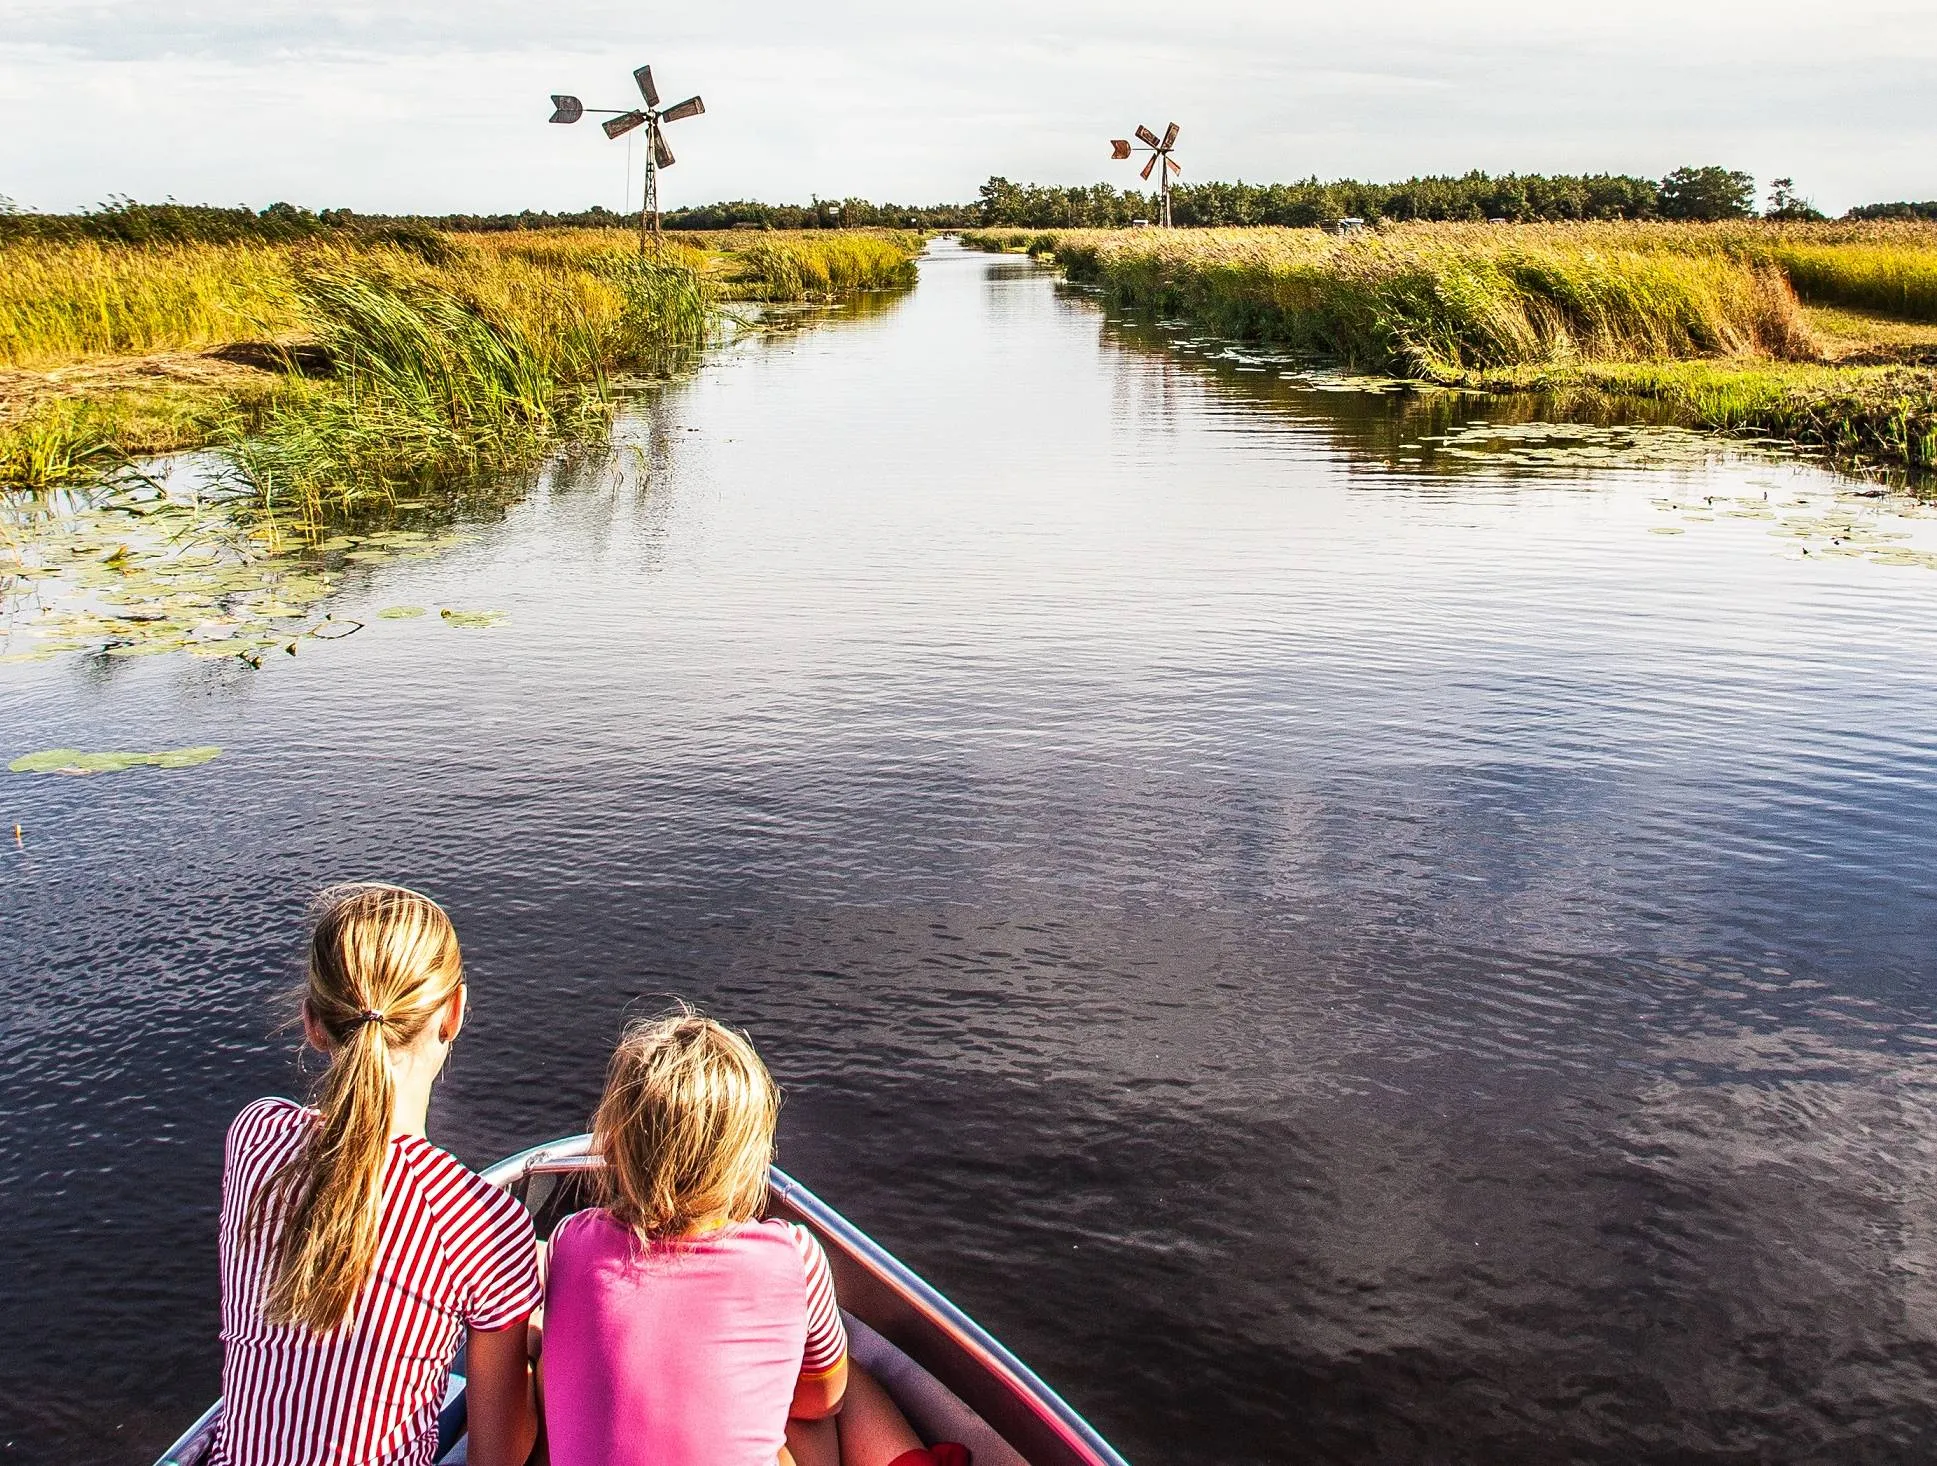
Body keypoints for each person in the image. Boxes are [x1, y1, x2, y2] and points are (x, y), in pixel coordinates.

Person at [539, 1008, 967, 1466]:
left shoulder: (569, 1241)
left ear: (618, 1139)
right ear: (747, 1155)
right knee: (833, 1388)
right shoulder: (794, 1258)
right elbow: (823, 1403)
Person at [211, 883, 541, 1466]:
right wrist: (537, 1356)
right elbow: (498, 1456)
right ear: (455, 1014)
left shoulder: (254, 1137)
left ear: (313, 1023)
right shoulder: (481, 1224)